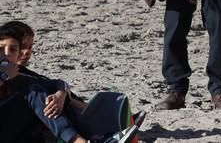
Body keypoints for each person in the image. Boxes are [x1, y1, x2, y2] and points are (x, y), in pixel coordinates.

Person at [0, 25, 139, 143]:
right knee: (34, 93)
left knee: (47, 96)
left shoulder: (16, 76)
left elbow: (56, 83)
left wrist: (61, 94)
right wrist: (3, 76)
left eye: (13, 49)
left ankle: (102, 131)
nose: (6, 54)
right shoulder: (10, 75)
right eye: (1, 49)